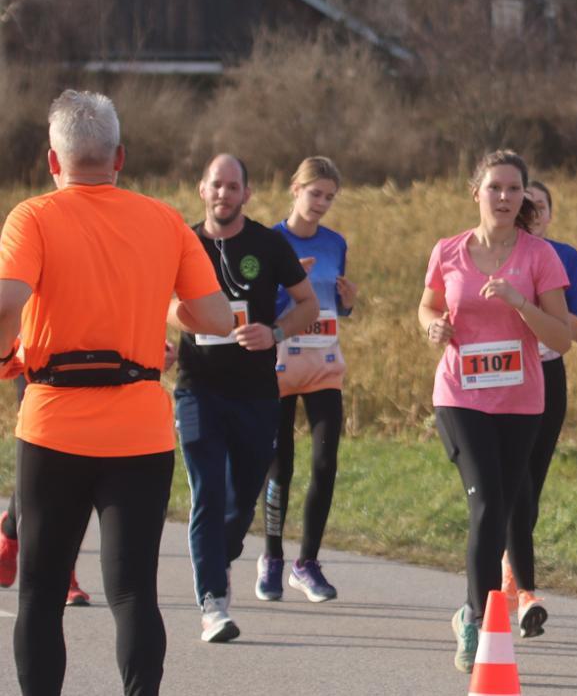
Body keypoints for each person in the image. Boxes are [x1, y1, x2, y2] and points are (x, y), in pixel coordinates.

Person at [0, 89, 232, 696]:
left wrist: (4, 355)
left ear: (53, 162)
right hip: (139, 428)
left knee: (41, 592)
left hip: (53, 422)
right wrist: (155, 298)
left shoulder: (33, 217)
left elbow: (6, 301)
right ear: (119, 155)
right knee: (133, 591)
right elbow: (214, 317)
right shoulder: (162, 221)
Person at [418, 150, 571, 672]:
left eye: (514, 190)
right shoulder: (448, 250)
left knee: (505, 509)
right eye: (495, 188)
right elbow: (428, 305)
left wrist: (520, 304)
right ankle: (479, 620)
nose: (504, 198)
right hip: (460, 394)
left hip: (521, 399)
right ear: (476, 192)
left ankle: (468, 611)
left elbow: (563, 336)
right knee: (485, 502)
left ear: (523, 196)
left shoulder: (538, 257)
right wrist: (431, 326)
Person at [175, 153, 319, 643]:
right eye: (216, 185)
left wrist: (274, 331)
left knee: (240, 502)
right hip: (198, 388)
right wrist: (199, 321)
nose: (223, 194)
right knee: (208, 492)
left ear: (246, 194)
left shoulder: (267, 243)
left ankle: (221, 553)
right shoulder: (184, 242)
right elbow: (166, 304)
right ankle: (212, 604)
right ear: (202, 190)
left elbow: (309, 304)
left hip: (257, 392)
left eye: (232, 187)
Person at [256, 156, 356, 603]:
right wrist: (286, 287)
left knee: (324, 464)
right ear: (295, 189)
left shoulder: (336, 243)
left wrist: (348, 303)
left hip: (323, 365)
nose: (321, 204)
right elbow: (257, 304)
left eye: (329, 197)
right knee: (281, 467)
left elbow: (332, 302)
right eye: (315, 193)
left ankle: (307, 562)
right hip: (277, 364)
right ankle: (272, 557)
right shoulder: (268, 241)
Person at [501, 180, 577, 620]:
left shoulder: (566, 257)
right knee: (507, 480)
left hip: (547, 371)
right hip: (501, 374)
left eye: (539, 206)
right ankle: (512, 578)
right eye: (526, 205)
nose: (531, 212)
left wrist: (538, 307)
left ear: (550, 214)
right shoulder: (496, 250)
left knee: (531, 482)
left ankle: (509, 564)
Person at [0, 371, 91, 606]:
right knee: (46, 458)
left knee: (84, 459)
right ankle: (13, 532)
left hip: (96, 361)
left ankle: (11, 528)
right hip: (40, 358)